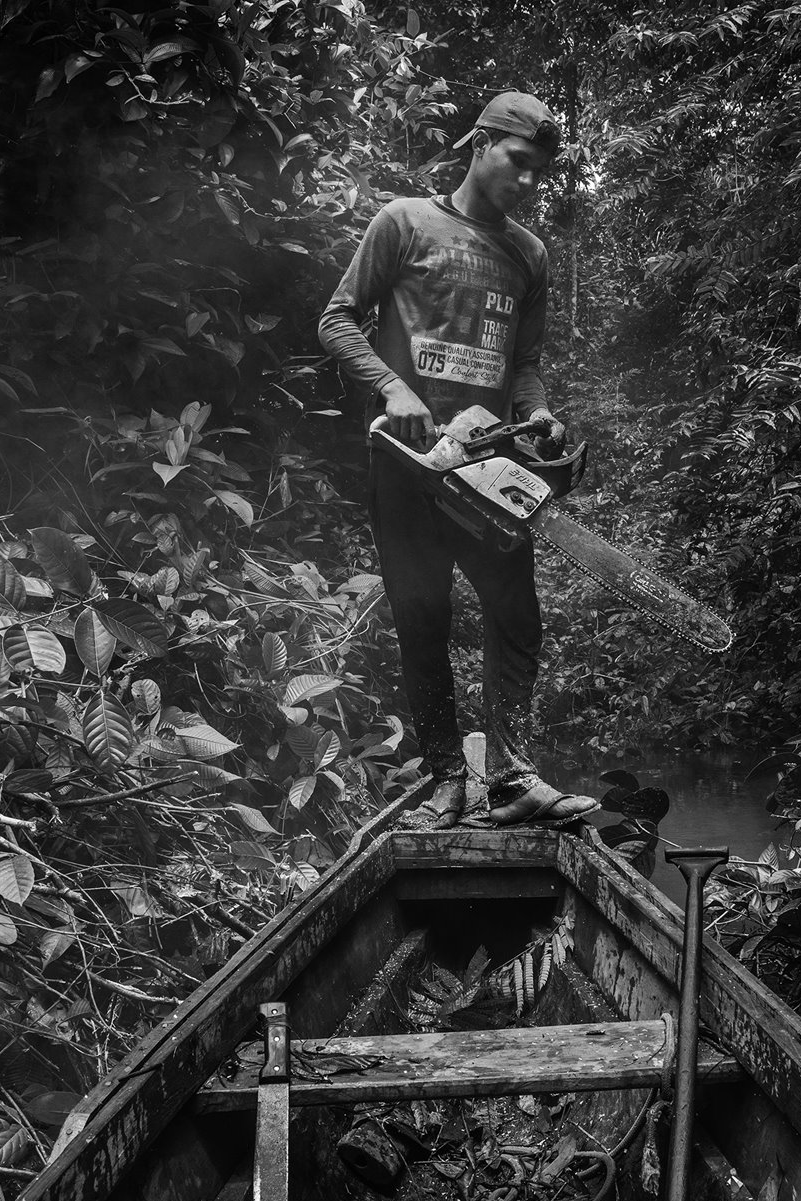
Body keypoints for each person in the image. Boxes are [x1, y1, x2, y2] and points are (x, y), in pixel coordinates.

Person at [318, 90, 599, 829]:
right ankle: (447, 778)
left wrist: (536, 415)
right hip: (408, 463)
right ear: (480, 145)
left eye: (541, 171)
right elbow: (337, 319)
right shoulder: (404, 222)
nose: (529, 181)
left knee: (517, 615)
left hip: (485, 468)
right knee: (423, 618)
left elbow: (526, 364)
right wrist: (391, 387)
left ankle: (510, 779)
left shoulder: (529, 253)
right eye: (519, 162)